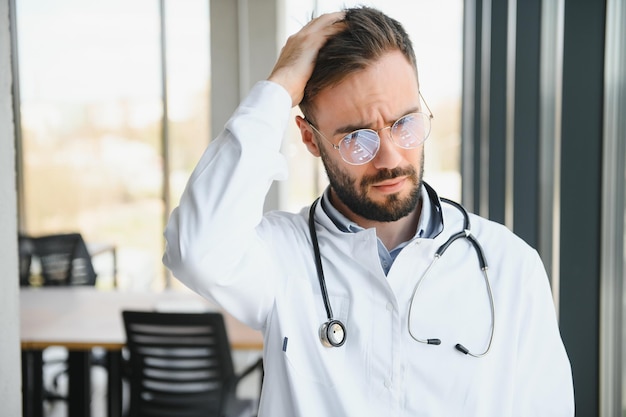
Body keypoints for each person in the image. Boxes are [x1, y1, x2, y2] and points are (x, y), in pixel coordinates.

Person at [163, 6, 574, 416]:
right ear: (310, 138)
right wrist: (279, 89)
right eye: (357, 139)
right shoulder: (280, 256)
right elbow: (196, 251)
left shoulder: (509, 265)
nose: (390, 158)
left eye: (405, 123)